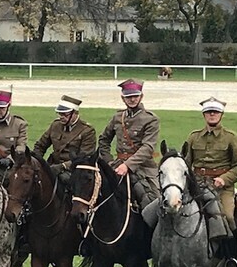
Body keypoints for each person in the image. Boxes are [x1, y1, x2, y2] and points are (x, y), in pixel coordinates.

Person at [184, 97, 237, 267]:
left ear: (221, 115)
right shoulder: (194, 136)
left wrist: (224, 179)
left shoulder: (231, 138)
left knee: (227, 216)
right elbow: (187, 163)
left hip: (221, 188)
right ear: (204, 115)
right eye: (209, 112)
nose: (212, 115)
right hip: (197, 185)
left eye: (215, 112)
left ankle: (231, 257)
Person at [97, 79, 159, 209]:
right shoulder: (118, 117)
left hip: (143, 169)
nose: (132, 100)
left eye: (135, 96)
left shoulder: (150, 119)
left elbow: (147, 148)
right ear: (123, 98)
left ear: (141, 96)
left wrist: (127, 165)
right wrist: (109, 162)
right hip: (117, 166)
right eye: (128, 97)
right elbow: (104, 140)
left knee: (152, 201)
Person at [33, 94, 96, 181]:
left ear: (75, 113)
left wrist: (63, 166)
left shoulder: (87, 131)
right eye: (59, 114)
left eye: (65, 114)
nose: (61, 117)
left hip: (74, 169)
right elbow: (40, 145)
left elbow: (84, 157)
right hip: (53, 165)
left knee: (64, 180)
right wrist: (36, 162)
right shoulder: (55, 125)